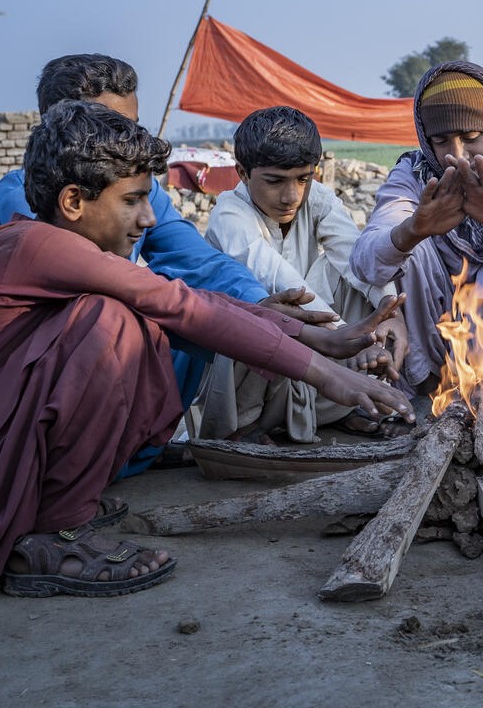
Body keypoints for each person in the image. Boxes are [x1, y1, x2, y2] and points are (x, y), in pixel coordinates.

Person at [0, 101, 414, 598]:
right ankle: (51, 535)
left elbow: (194, 300)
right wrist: (328, 373)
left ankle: (63, 502)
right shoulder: (41, 245)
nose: (149, 218)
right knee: (111, 324)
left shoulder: (57, 246)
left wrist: (311, 335)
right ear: (73, 202)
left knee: (137, 320)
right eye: (133, 200)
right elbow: (180, 306)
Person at [0, 54, 330, 471]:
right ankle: (64, 481)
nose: (127, 137)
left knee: (191, 309)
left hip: (111, 370)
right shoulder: (27, 204)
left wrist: (258, 307)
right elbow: (154, 298)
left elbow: (198, 261)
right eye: (109, 124)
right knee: (118, 317)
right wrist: (315, 364)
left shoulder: (137, 189)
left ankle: (133, 453)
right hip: (33, 391)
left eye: (133, 126)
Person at [350, 60, 483, 408]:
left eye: (471, 138)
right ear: (425, 138)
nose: (457, 155)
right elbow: (366, 262)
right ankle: (430, 394)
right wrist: (414, 229)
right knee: (409, 246)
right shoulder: (414, 173)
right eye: (440, 141)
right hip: (439, 340)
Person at [200, 105, 408, 442]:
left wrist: (389, 311)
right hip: (260, 371)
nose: (291, 195)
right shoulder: (229, 214)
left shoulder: (318, 200)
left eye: (303, 178)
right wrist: (354, 342)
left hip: (322, 350)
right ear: (242, 173)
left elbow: (356, 258)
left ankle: (334, 410)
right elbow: (281, 281)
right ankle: (250, 427)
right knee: (264, 315)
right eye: (275, 181)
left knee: (358, 272)